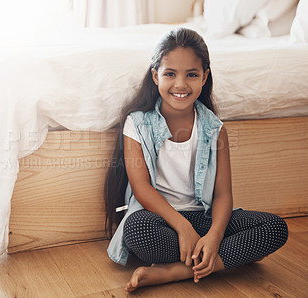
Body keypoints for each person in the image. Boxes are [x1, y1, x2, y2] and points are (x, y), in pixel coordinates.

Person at [104, 27, 288, 293]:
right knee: (136, 230)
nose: (181, 84)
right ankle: (225, 257)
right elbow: (141, 188)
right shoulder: (137, 124)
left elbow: (223, 194)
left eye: (192, 74)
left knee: (274, 227)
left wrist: (213, 236)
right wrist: (182, 227)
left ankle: (175, 271)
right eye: (170, 74)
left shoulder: (214, 129)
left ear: (205, 77)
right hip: (161, 219)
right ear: (156, 76)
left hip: (203, 217)